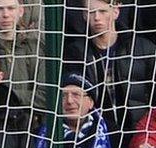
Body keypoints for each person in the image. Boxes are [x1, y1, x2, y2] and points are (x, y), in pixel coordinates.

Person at [64, 0, 156, 132]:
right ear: (84, 15)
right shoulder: (76, 54)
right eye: (91, 12)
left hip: (139, 133)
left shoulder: (143, 49)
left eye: (103, 11)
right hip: (96, 136)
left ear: (116, 12)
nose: (96, 17)